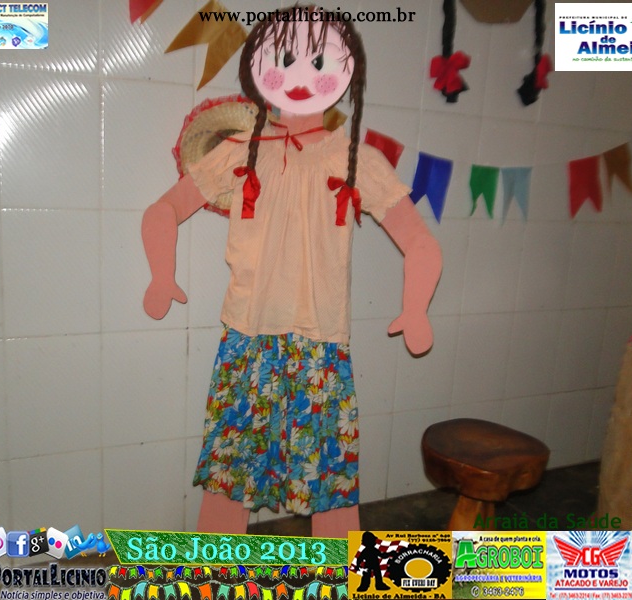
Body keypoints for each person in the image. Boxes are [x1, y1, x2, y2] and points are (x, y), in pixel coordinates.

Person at [142, 5, 442, 537]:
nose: (301, 75)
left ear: (345, 73)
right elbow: (163, 209)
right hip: (248, 339)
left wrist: (415, 307)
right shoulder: (238, 152)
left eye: (319, 61)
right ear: (258, 70)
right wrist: (160, 274)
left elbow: (419, 240)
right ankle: (212, 571)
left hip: (321, 344)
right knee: (228, 480)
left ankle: (340, 574)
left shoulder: (355, 158)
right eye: (285, 60)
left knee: (331, 485)